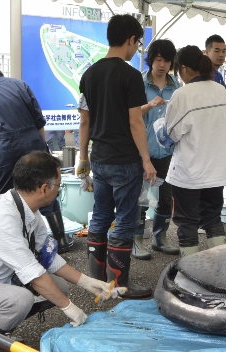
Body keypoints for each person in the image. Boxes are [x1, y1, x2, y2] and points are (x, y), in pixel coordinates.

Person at [0, 151, 124, 346]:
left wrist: (87, 282)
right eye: (59, 185)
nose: (59, 189)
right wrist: (70, 308)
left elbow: (48, 258)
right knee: (20, 299)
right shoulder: (2, 219)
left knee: (59, 287)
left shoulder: (27, 210)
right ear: (44, 188)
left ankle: (0, 326)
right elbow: (34, 274)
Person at [78, 14, 157, 299]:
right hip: (124, 160)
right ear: (130, 40)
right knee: (125, 219)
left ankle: (97, 280)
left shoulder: (89, 74)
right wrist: (147, 160)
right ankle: (120, 285)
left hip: (99, 159)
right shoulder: (130, 75)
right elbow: (135, 121)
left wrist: (83, 158)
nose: (137, 49)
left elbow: (84, 121)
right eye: (138, 43)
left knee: (100, 215)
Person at [156, 45, 226, 256]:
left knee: (187, 222)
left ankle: (190, 272)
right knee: (212, 218)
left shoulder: (183, 94)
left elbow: (170, 136)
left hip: (189, 172)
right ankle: (220, 267)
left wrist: (160, 128)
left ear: (185, 68)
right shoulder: (220, 90)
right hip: (216, 171)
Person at [0, 49, 49, 198]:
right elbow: (39, 122)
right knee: (43, 195)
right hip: (34, 144)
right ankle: (51, 221)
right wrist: (42, 151)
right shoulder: (19, 85)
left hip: (5, 150)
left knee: (1, 200)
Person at [137, 39, 181, 258]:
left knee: (165, 198)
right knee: (140, 198)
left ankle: (160, 238)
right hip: (142, 150)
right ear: (151, 60)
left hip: (167, 152)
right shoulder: (139, 82)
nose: (162, 65)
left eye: (167, 61)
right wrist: (149, 105)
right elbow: (132, 114)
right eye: (158, 59)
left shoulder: (176, 86)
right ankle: (137, 240)